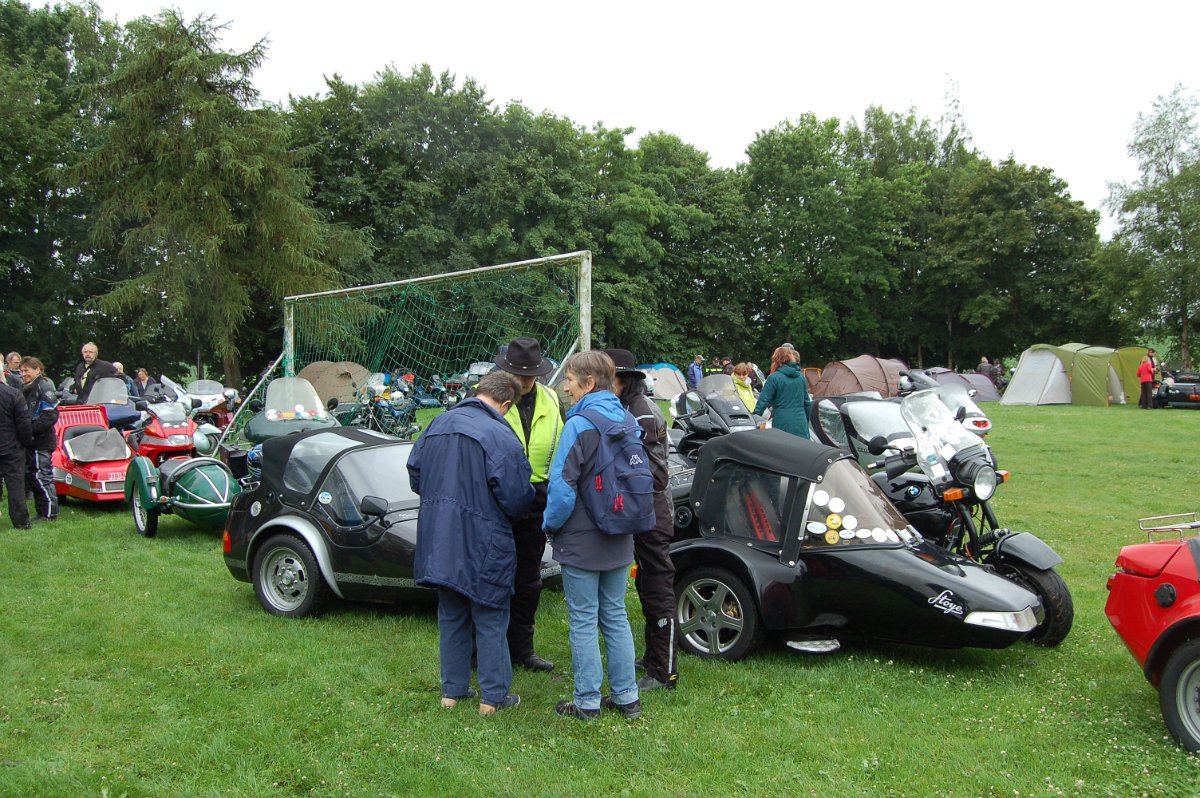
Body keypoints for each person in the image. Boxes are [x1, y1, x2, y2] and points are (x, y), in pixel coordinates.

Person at [407, 370, 534, 715]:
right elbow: (517, 497)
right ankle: (493, 698)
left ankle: (452, 693)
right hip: (485, 537)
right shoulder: (500, 435)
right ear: (505, 404)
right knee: (491, 615)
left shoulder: (436, 424)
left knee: (451, 613)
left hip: (440, 536)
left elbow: (415, 473)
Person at [543, 351, 641, 721]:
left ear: (588, 383)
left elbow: (562, 487)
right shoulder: (628, 419)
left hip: (583, 535)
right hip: (621, 530)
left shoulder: (579, 423)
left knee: (583, 619)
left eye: (569, 379)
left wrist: (550, 525)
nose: (565, 387)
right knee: (615, 614)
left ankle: (587, 702)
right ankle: (627, 697)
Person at [602, 349, 678, 692]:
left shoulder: (641, 414)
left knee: (658, 587)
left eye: (608, 378)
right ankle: (652, 657)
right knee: (646, 584)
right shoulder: (628, 408)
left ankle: (664, 671)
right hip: (637, 512)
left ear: (622, 380)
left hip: (651, 513)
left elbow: (655, 476)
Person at [494, 336, 564, 672]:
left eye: (529, 376)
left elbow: (564, 444)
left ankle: (522, 649)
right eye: (517, 375)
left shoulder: (551, 399)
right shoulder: (487, 399)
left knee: (528, 579)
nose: (523, 382)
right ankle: (484, 650)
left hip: (537, 499)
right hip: (496, 500)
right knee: (492, 576)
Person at [20, 357, 58, 521]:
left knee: (43, 476)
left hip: (42, 440)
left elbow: (51, 415)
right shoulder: (28, 387)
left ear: (37, 369)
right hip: (32, 441)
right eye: (22, 371)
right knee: (33, 476)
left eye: (26, 370)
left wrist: (32, 431)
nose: (24, 374)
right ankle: (42, 512)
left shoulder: (44, 385)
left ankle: (50, 513)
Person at [753, 347, 812, 439]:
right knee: (802, 450)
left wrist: (755, 419)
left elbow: (763, 401)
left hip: (782, 421)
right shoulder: (801, 377)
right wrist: (805, 421)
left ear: (776, 359)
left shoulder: (773, 378)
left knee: (783, 450)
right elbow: (807, 404)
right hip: (801, 421)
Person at [0, 376, 33, 529]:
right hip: (10, 445)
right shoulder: (13, 393)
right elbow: (23, 422)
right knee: (15, 485)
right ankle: (21, 522)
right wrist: (25, 441)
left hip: (9, 443)